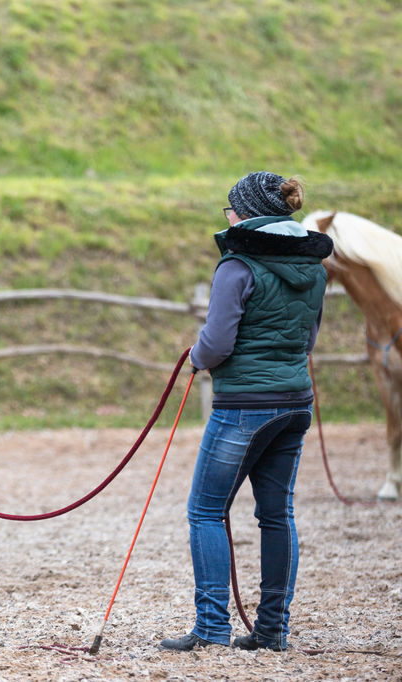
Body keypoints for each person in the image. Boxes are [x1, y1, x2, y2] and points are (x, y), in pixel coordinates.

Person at [160, 172, 334, 652]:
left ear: (245, 214)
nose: (227, 215)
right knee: (277, 515)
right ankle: (273, 629)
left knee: (205, 511)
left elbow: (216, 344)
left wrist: (195, 357)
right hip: (295, 404)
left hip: (243, 407)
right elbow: (308, 340)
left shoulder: (236, 267)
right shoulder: (316, 269)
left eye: (229, 208)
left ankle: (213, 627)